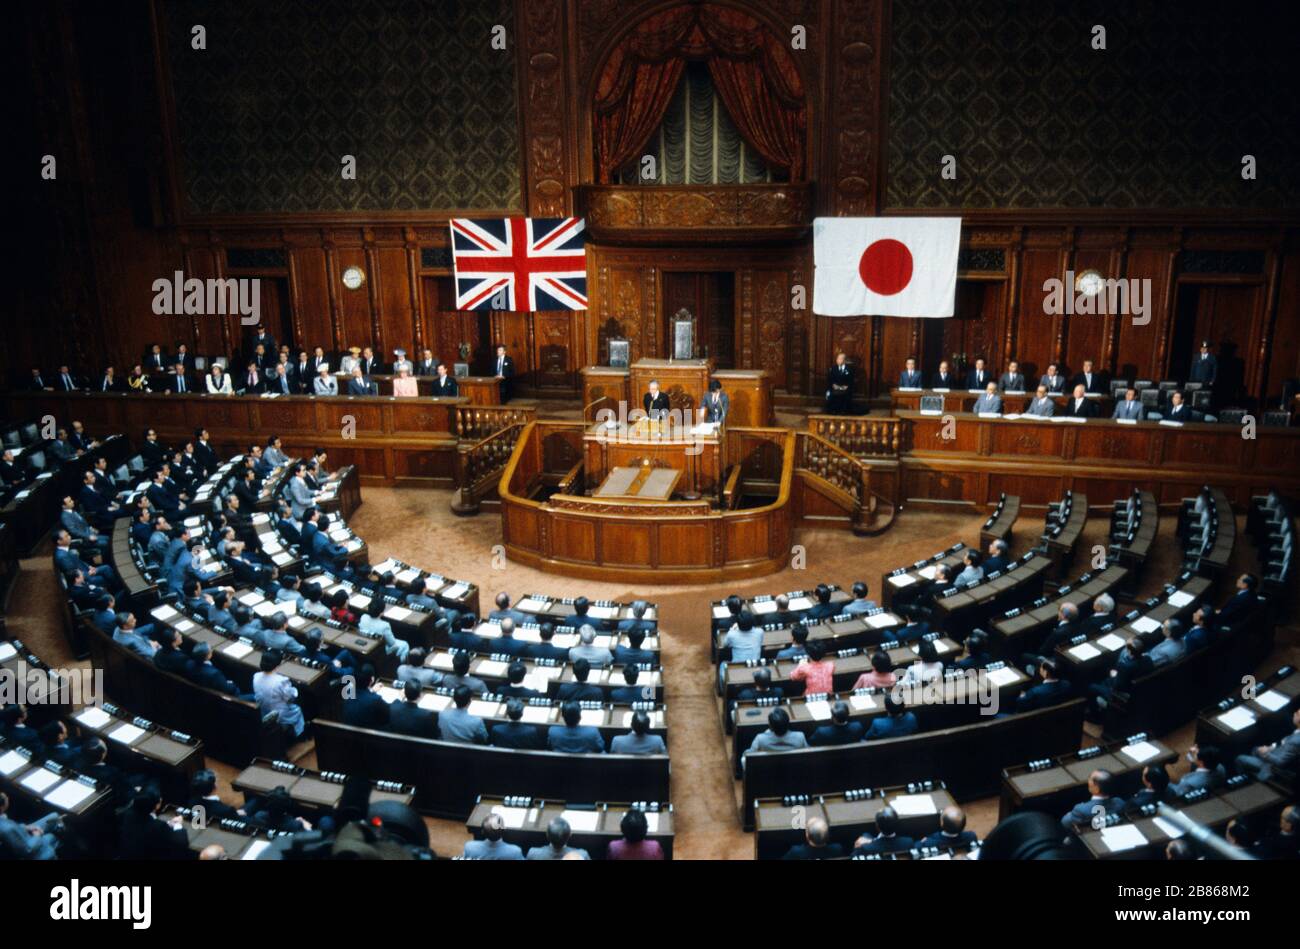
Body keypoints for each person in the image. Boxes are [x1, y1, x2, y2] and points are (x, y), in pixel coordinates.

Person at [116, 788, 190, 860]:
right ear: (157, 806)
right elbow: (181, 844)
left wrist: (166, 825)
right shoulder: (158, 826)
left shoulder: (127, 815)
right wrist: (178, 825)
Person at [1234, 707, 1300, 782]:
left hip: (1271, 767)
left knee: (1240, 758)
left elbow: (1280, 762)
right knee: (1254, 750)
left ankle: (1244, 781)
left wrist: (1264, 753)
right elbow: (1284, 742)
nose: (1294, 714)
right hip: (1276, 753)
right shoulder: (1297, 731)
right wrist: (1272, 747)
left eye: (1297, 714)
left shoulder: (1295, 741)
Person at [254, 649, 306, 738]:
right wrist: (294, 690)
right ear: (278, 664)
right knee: (299, 705)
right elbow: (290, 697)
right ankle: (300, 734)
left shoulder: (256, 676)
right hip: (280, 715)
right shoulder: (281, 681)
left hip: (264, 710)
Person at [743, 708, 808, 764]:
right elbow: (808, 753)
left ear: (771, 727)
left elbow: (749, 756)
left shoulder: (760, 739)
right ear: (788, 723)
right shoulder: (800, 736)